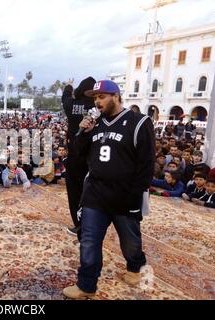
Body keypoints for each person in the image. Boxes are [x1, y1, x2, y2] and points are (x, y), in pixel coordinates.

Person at [63, 80, 155, 299]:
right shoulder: (95, 123)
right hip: (96, 192)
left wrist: (136, 197)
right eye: (95, 98)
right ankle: (86, 285)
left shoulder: (139, 122)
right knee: (88, 240)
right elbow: (77, 154)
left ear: (116, 96)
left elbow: (146, 165)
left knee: (130, 242)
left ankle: (135, 266)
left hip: (125, 194)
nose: (97, 101)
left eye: (102, 96)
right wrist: (83, 132)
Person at [62, 77, 97, 236]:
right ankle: (94, 223)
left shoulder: (72, 105)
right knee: (91, 192)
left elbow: (65, 97)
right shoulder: (97, 107)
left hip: (75, 156)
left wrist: (69, 85)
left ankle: (79, 224)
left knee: (75, 192)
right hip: (93, 156)